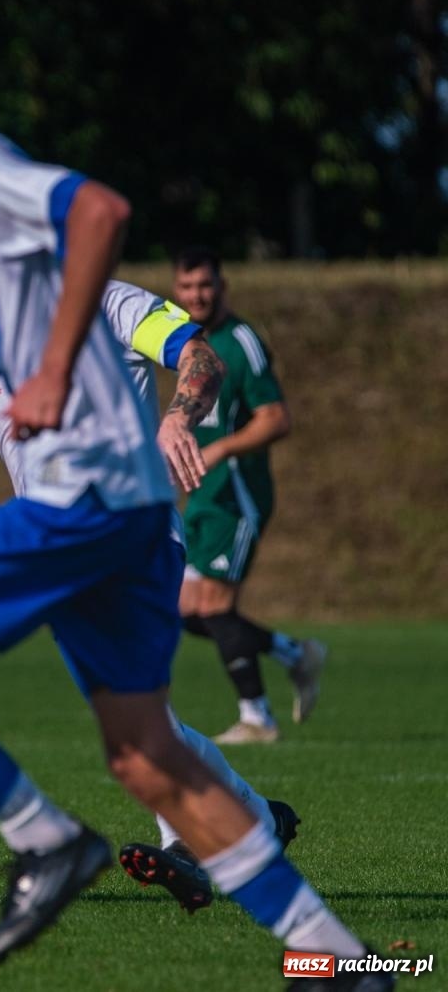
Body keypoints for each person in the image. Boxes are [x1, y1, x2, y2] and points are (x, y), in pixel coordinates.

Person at [0, 0, 383, 985]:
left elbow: (99, 211)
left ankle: (45, 840)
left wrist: (60, 365)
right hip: (119, 506)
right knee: (146, 752)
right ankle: (344, 962)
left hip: (82, 495)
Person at [0, 277, 301, 914]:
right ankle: (254, 822)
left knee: (137, 713)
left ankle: (193, 851)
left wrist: (176, 419)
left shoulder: (108, 302)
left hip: (136, 533)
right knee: (132, 716)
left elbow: (201, 357)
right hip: (55, 549)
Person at [172, 246, 326, 744]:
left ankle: (257, 717)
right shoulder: (184, 344)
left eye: (205, 285)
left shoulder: (241, 341)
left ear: (222, 286)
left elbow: (276, 418)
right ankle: (293, 655)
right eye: (187, 286)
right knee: (181, 609)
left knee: (214, 606)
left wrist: (220, 451)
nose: (197, 295)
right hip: (203, 496)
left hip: (237, 493)